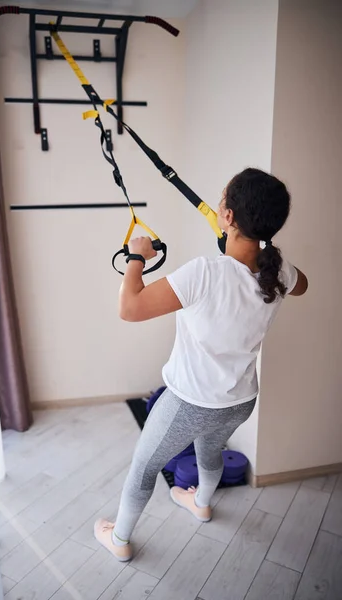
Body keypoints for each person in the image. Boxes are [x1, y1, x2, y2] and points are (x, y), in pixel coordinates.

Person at [94, 167, 308, 561]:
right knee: (208, 452)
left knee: (144, 466)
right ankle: (201, 503)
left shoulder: (204, 274)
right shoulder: (277, 271)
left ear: (227, 217)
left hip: (189, 402)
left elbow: (130, 307)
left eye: (222, 198)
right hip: (239, 402)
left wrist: (136, 257)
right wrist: (251, 252)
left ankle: (120, 540)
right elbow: (302, 283)